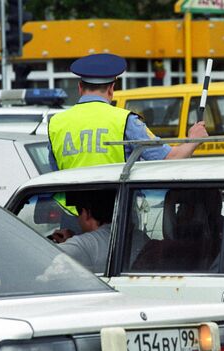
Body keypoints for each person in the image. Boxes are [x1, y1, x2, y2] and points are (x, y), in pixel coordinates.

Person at [47, 53, 208, 171]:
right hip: (114, 211)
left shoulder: (56, 122)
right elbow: (169, 158)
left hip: (67, 212)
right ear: (111, 88)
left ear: (80, 88)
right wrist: (194, 139)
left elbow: (54, 173)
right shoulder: (124, 120)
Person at [49, 190, 116, 273]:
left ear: (86, 213)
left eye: (78, 215)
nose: (78, 220)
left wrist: (71, 242)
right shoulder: (131, 235)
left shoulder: (82, 244)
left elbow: (41, 260)